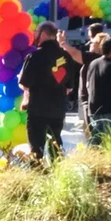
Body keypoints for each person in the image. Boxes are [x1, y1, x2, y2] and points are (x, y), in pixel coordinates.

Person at [19, 22, 71, 160]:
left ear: (43, 34)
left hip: (38, 108)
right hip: (58, 108)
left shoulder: (34, 56)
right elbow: (70, 86)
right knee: (56, 143)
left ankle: (38, 174)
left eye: (36, 32)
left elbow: (25, 84)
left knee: (36, 147)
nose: (35, 35)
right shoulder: (66, 57)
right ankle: (57, 173)